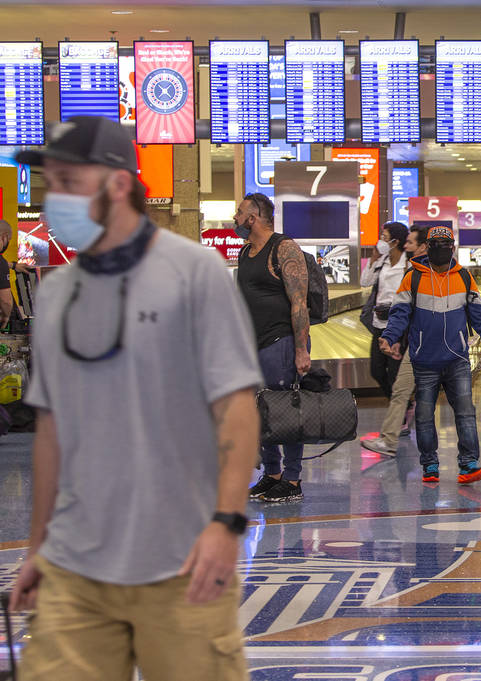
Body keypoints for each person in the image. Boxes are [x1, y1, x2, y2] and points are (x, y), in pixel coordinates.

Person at [10, 116, 263, 679]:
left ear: (119, 185)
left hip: (181, 564)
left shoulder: (193, 273)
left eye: (68, 183)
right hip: (77, 567)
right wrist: (38, 545)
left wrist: (226, 523)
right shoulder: (57, 294)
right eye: (51, 184)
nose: (55, 200)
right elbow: (52, 430)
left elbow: (236, 408)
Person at [380, 225, 481, 485]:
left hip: (457, 358)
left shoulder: (463, 277)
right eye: (436, 244)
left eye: (446, 245)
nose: (442, 250)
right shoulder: (412, 278)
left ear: (452, 248)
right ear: (428, 247)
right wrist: (389, 337)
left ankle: (469, 463)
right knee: (425, 415)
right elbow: (400, 312)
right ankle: (430, 464)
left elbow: (478, 315)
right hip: (424, 359)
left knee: (465, 412)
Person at [235, 192, 311, 502]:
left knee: (287, 411)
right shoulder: (245, 252)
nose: (236, 218)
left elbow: (299, 301)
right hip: (252, 345)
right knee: (259, 412)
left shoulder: (284, 248)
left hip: (280, 343)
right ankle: (272, 473)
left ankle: (292, 480)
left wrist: (301, 348)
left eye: (240, 213)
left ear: (253, 218)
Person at [360, 222, 410, 454]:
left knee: (394, 372)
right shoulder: (381, 262)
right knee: (376, 370)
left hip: (397, 325)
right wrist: (372, 259)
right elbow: (365, 282)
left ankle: (399, 413)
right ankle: (402, 407)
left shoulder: (407, 265)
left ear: (395, 241)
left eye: (384, 236)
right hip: (379, 323)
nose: (380, 239)